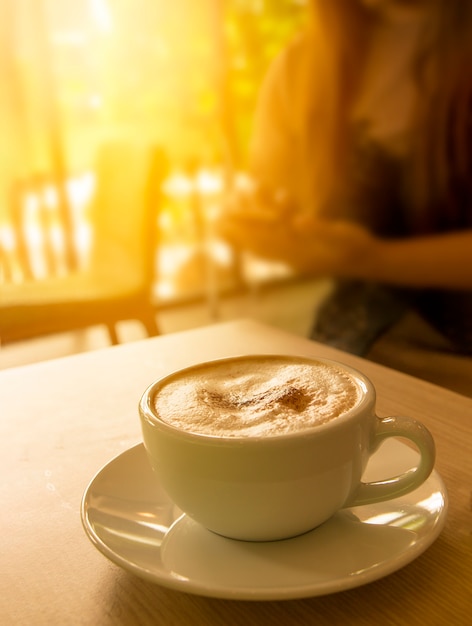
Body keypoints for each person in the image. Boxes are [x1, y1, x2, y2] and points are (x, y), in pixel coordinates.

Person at [217, 0, 472, 396]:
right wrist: (259, 217)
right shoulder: (302, 67)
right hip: (357, 346)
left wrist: (372, 259)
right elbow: (273, 193)